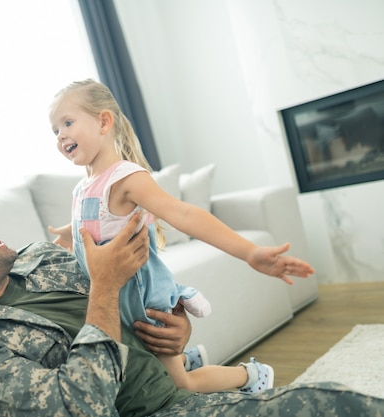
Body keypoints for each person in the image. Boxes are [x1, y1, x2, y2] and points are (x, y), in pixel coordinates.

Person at [0, 208, 384, 417]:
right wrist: (104, 286)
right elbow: (82, 406)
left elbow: (138, 294)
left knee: (334, 401)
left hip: (175, 381)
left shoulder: (44, 257)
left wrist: (176, 327)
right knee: (332, 406)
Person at [47, 79, 311, 393]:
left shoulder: (126, 177)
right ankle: (189, 359)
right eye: (54, 130)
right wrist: (70, 233)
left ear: (104, 122)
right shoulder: (82, 187)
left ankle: (251, 375)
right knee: (146, 376)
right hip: (115, 303)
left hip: (146, 303)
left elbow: (184, 214)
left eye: (67, 123)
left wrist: (249, 252)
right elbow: (98, 223)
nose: (61, 135)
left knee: (179, 386)